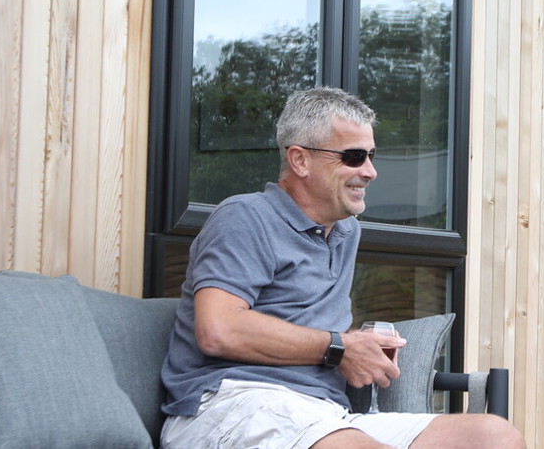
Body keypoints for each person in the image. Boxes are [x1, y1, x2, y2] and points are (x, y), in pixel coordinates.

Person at [159, 87, 524, 449]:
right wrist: (338, 348)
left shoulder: (345, 230)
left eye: (371, 155)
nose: (370, 171)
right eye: (353, 156)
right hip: (232, 403)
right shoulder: (245, 217)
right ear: (300, 160)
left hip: (326, 413)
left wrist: (358, 346)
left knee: (493, 436)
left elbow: (301, 320)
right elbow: (218, 329)